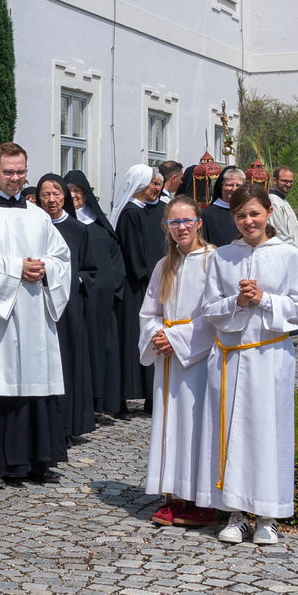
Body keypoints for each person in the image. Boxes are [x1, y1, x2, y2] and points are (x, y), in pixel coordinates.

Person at [197, 185, 298, 546]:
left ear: (268, 213)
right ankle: (235, 513)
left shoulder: (291, 256)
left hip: (270, 355)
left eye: (254, 213)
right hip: (231, 356)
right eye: (241, 215)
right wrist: (236, 301)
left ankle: (268, 515)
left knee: (268, 432)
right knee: (231, 432)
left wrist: (264, 299)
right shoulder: (222, 257)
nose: (248, 221)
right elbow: (208, 308)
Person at [0, 143, 72, 488]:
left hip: (33, 315)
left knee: (34, 377)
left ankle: (35, 461)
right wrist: (16, 268)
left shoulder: (38, 216)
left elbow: (62, 258)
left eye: (21, 172)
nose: (15, 178)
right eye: (8, 172)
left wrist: (46, 268)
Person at [139, 196, 218, 528]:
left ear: (199, 222)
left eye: (187, 221)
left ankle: (202, 499)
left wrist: (177, 338)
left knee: (196, 424)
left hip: (199, 358)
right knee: (170, 426)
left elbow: (216, 314)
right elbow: (149, 311)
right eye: (174, 222)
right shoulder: (164, 265)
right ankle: (175, 495)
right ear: (166, 226)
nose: (181, 228)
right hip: (168, 358)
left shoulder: (214, 261)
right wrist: (156, 334)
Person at [65, 171, 128, 422]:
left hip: (104, 301)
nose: (73, 195)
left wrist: (114, 287)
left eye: (77, 190)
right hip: (78, 299)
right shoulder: (64, 223)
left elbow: (116, 256)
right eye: (69, 190)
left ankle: (105, 401)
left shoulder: (100, 223)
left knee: (106, 350)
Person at [36, 176, 95, 440]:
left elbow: (91, 268)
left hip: (69, 307)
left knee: (68, 361)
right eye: (45, 194)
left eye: (56, 194)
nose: (51, 200)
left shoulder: (78, 229)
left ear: (65, 197)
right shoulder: (34, 225)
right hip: (39, 303)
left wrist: (74, 280)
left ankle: (68, 425)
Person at [111, 165, 166, 413]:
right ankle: (125, 396)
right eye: (152, 183)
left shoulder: (156, 210)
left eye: (158, 184)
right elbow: (134, 255)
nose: (156, 188)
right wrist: (151, 275)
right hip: (138, 288)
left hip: (154, 284)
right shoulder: (130, 213)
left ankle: (152, 395)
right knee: (133, 339)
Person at [200, 166, 245, 246]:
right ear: (221, 186)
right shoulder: (207, 214)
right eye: (230, 185)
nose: (234, 189)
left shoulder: (248, 211)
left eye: (238, 185)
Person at [267, 166, 298, 250]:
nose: (288, 184)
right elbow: (278, 233)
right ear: (274, 180)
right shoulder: (274, 202)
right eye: (285, 181)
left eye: (291, 181)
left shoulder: (282, 200)